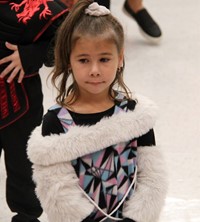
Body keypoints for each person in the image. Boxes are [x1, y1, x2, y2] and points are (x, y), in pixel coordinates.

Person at [27, 1, 168, 222]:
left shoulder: (135, 114)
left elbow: (152, 177)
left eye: (104, 59)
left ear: (120, 58)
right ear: (68, 60)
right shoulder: (56, 122)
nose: (94, 70)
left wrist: (135, 218)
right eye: (84, 60)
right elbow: (56, 191)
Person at [0, 0, 69, 221]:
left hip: (21, 100)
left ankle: (26, 214)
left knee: (23, 160)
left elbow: (66, 37)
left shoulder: (42, 7)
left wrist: (30, 55)